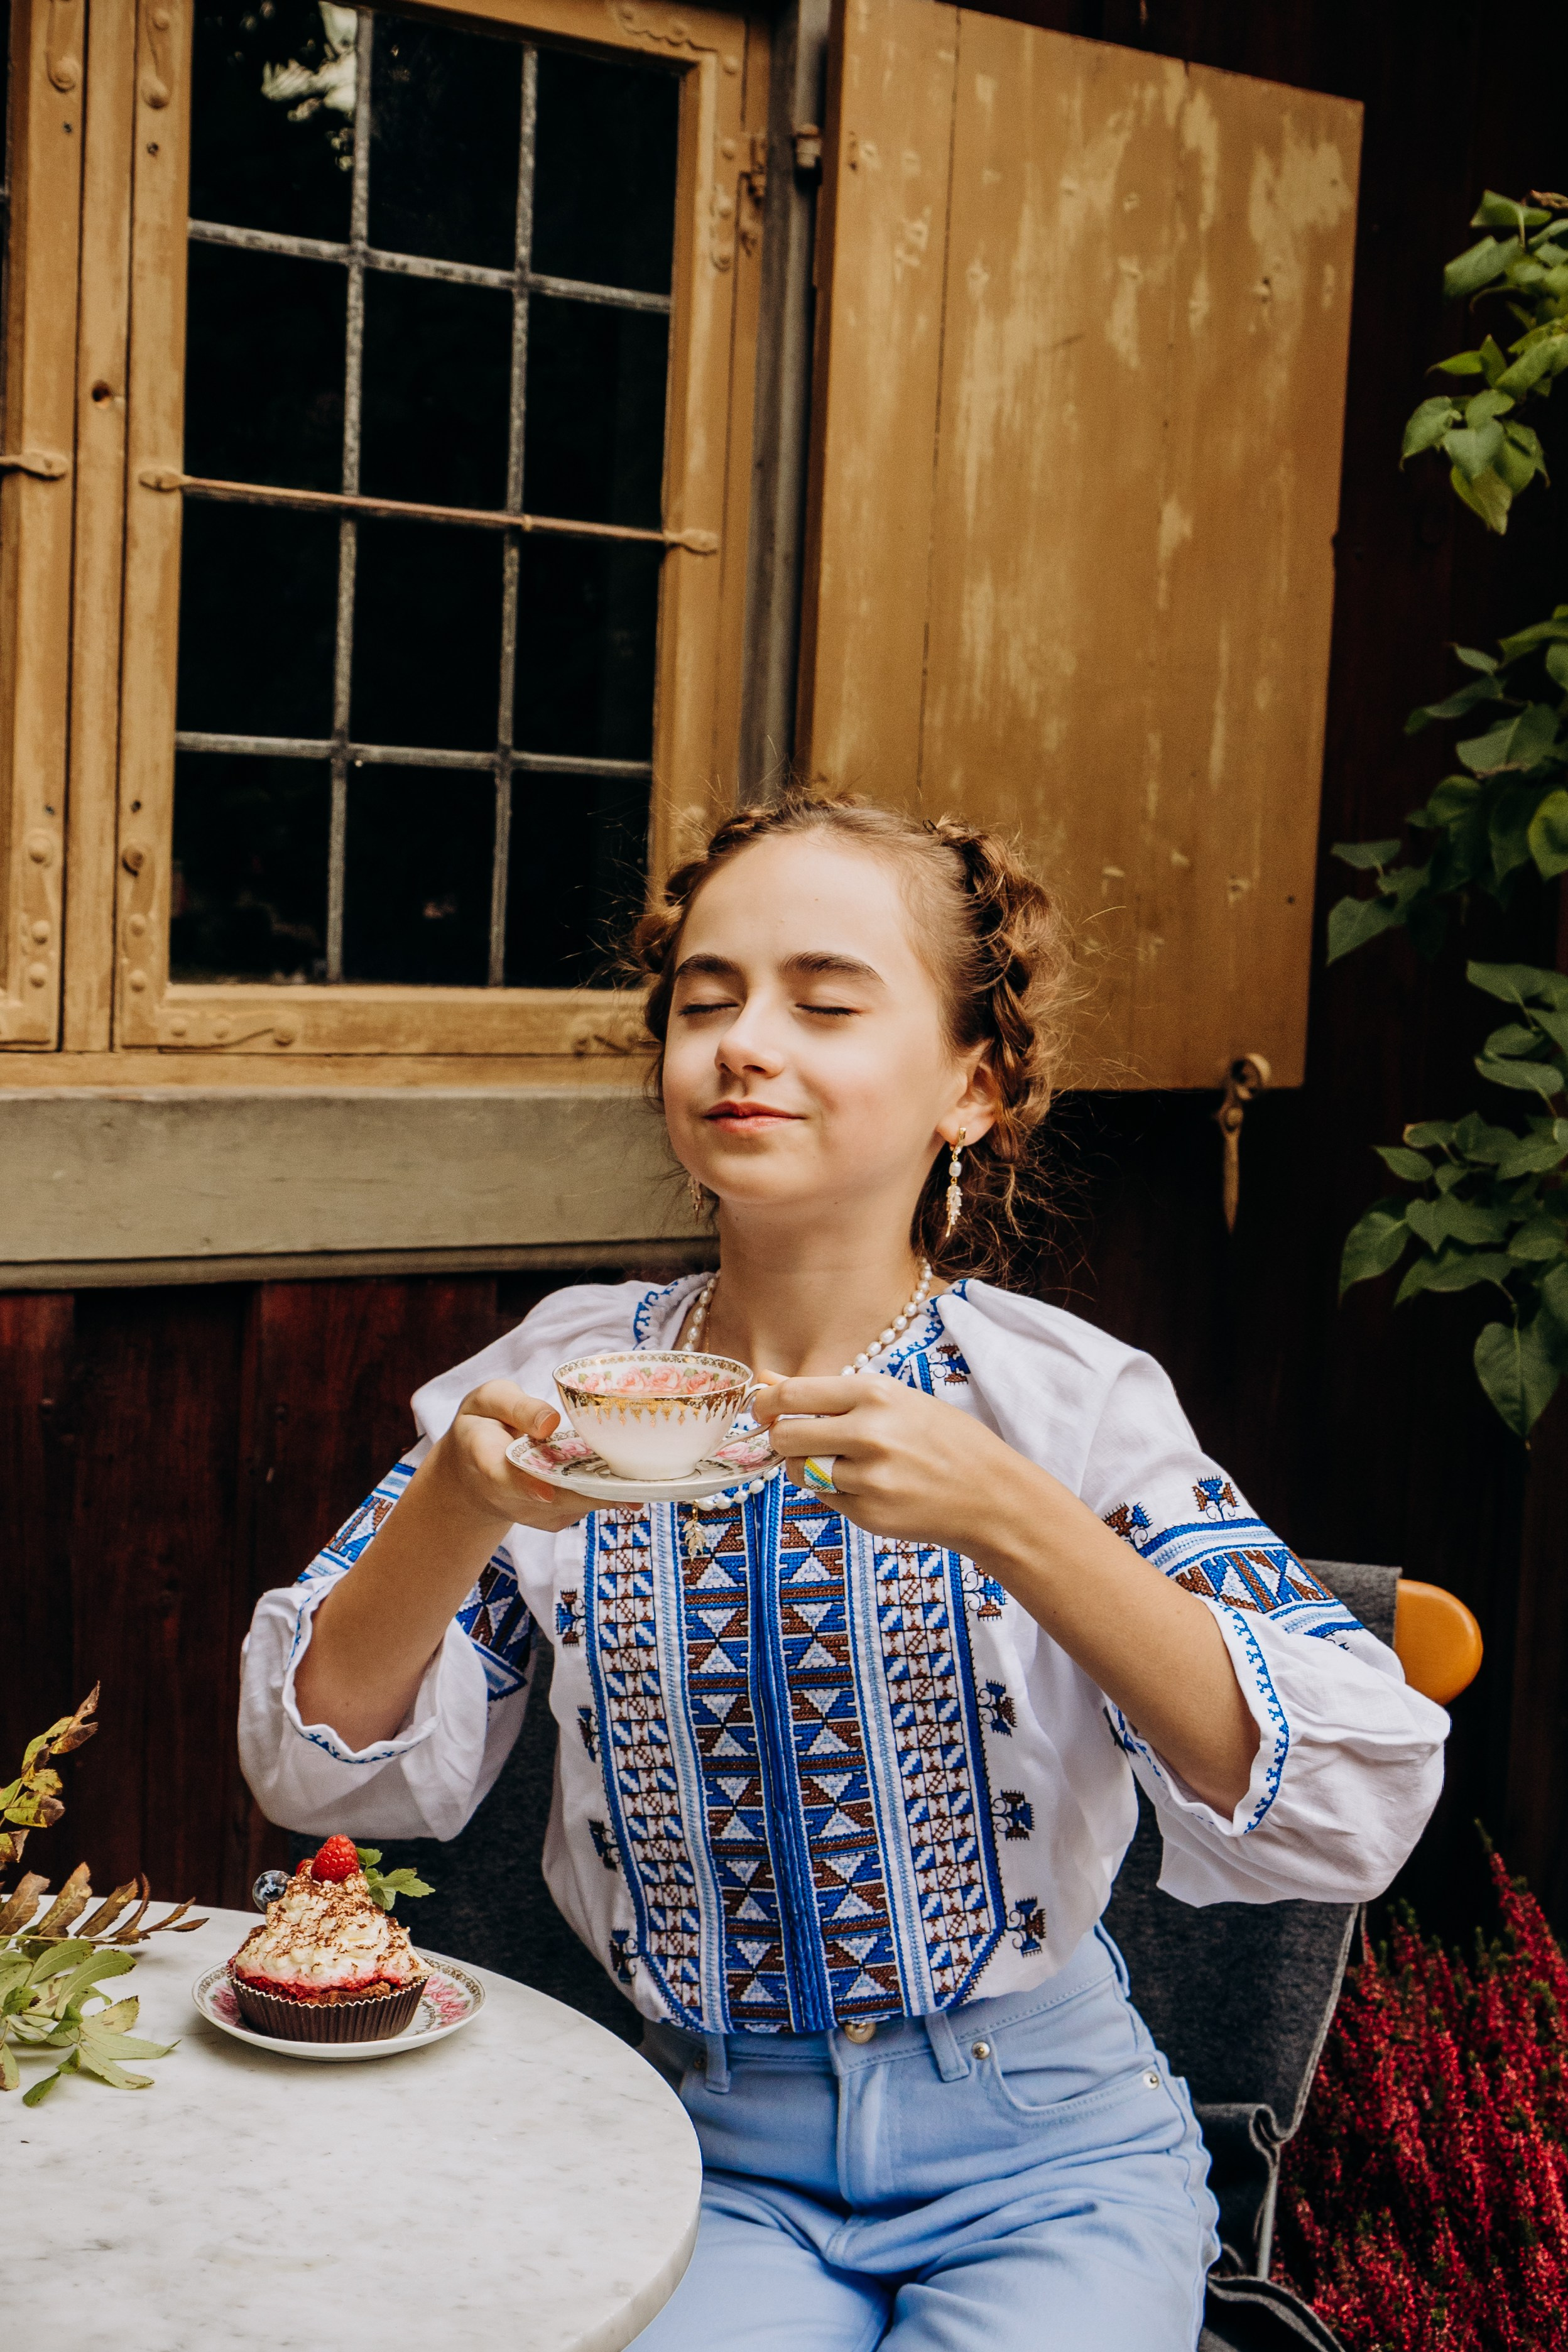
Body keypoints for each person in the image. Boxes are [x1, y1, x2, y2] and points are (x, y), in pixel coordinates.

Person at [239, 793, 1447, 2351]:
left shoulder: (1064, 1404)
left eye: (823, 1001)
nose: (745, 1042)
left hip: (1056, 2155)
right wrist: (460, 1506)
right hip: (703, 2149)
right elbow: (313, 1760)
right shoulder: (557, 1380)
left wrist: (1019, 1519)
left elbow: (1360, 1796)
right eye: (705, 1001)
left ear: (973, 1084)